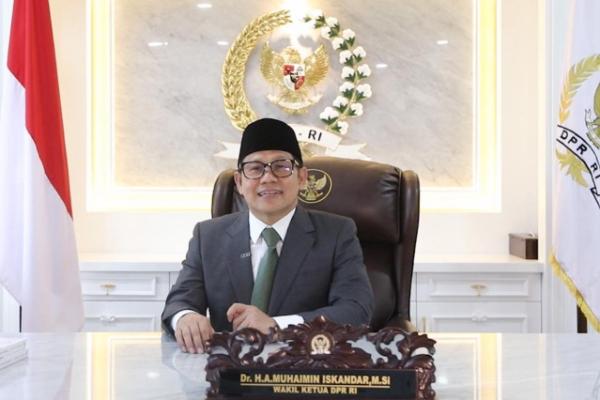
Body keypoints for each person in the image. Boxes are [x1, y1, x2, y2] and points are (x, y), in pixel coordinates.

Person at [161, 118, 374, 353]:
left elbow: (355, 310)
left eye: (281, 167)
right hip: (227, 366)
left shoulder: (337, 233)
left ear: (302, 178)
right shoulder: (208, 236)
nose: (268, 177)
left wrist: (277, 326)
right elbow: (179, 301)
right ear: (239, 182)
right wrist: (185, 317)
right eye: (255, 169)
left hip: (305, 364)